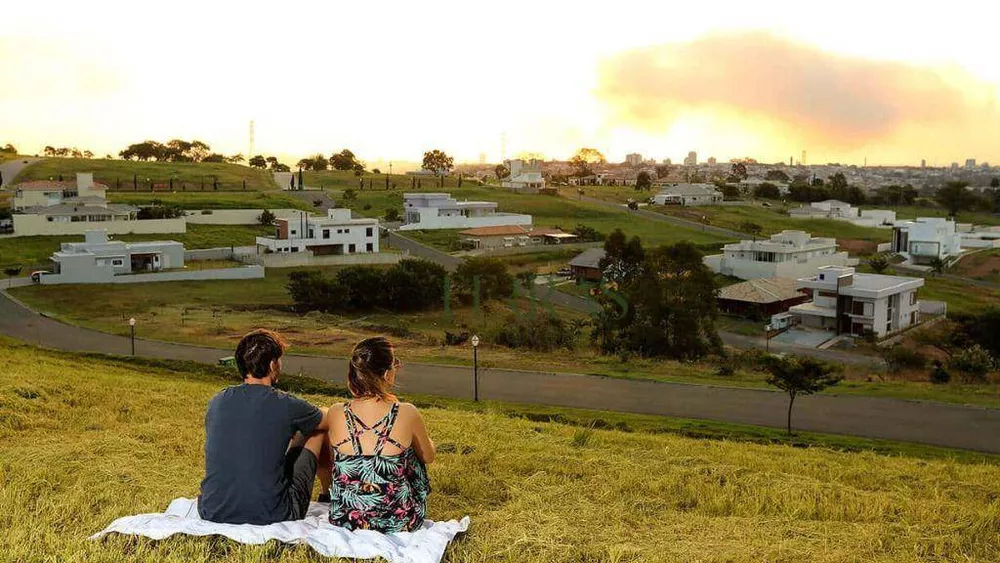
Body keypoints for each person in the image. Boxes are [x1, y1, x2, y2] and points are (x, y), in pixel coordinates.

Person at [198, 329, 332, 525]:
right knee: (316, 429)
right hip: (275, 513)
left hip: (212, 510)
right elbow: (327, 420)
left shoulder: (217, 401)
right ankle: (329, 495)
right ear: (272, 364)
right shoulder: (284, 403)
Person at [326, 336, 435, 533]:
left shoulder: (336, 412)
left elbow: (335, 460)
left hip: (346, 517)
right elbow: (428, 457)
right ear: (386, 374)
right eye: (395, 364)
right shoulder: (407, 412)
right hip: (398, 521)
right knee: (410, 451)